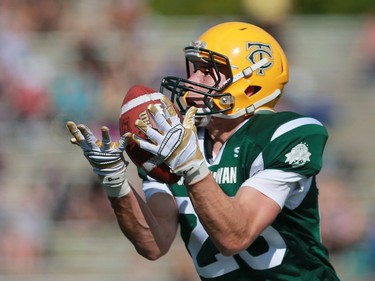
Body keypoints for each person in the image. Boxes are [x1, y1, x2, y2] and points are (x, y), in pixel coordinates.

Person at [66, 22, 340, 280]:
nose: (192, 79)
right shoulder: (177, 140)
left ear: (252, 81)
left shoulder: (285, 133)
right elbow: (153, 243)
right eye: (194, 67)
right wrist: (115, 182)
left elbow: (236, 236)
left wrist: (192, 165)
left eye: (207, 71)